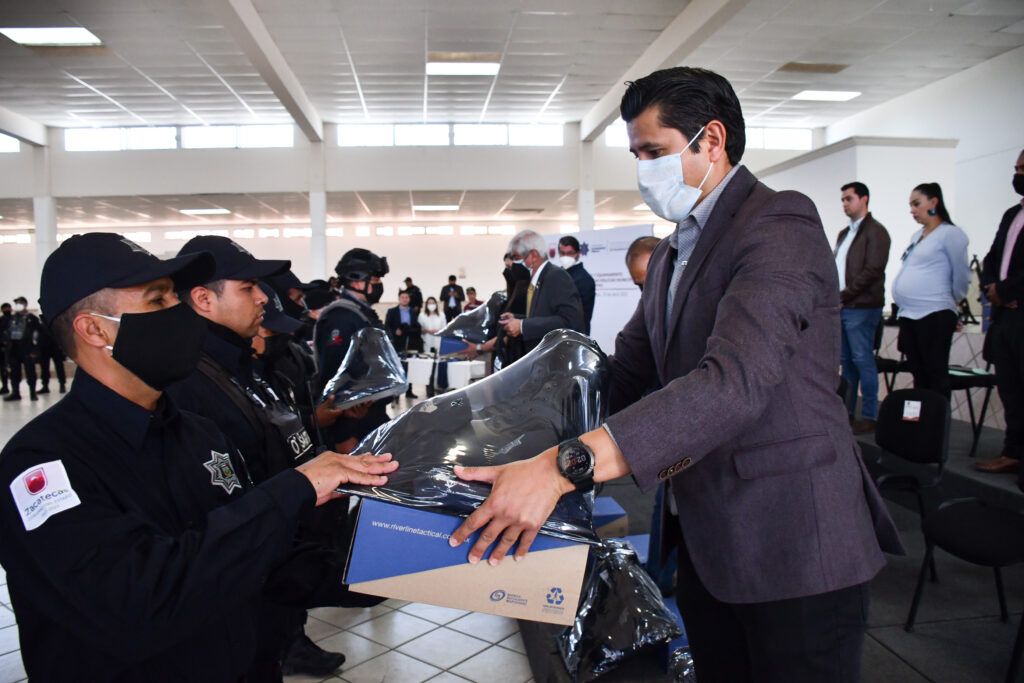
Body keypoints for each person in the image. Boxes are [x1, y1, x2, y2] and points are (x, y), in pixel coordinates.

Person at [448, 67, 902, 683]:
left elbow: (732, 381)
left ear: (711, 140)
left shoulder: (778, 223)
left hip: (792, 538)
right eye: (636, 154)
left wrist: (563, 467)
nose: (643, 171)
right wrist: (506, 432)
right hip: (710, 536)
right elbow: (625, 371)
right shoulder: (669, 252)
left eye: (654, 152)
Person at [0, 232, 397, 681]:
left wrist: (389, 569)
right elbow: (139, 604)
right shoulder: (42, 465)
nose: (179, 313)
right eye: (156, 301)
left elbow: (260, 560)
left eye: (175, 296)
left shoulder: (196, 432)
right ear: (94, 329)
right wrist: (294, 488)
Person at [165, 236, 349, 678]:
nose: (264, 297)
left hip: (282, 574)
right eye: (248, 287)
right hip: (245, 590)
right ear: (204, 299)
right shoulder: (188, 385)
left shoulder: (246, 367)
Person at [891, 182, 970, 399]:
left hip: (934, 312)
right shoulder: (917, 236)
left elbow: (961, 273)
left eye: (917, 204)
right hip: (909, 314)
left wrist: (954, 300)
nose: (912, 210)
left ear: (933, 202)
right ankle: (921, 423)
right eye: (910, 205)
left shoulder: (950, 234)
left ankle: (936, 423)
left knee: (934, 370)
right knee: (918, 372)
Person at [974, 150, 1024, 475]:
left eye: (1023, 168)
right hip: (1006, 315)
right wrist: (993, 287)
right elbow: (992, 257)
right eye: (1017, 168)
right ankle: (1014, 451)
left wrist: (1006, 292)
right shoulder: (1012, 214)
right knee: (1010, 386)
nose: (1017, 174)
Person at [313, 248, 391, 452]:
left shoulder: (361, 314)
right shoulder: (341, 318)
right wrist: (344, 436)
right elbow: (335, 379)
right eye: (375, 280)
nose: (379, 285)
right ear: (356, 281)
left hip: (371, 416)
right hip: (353, 426)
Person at [835, 182, 891, 433]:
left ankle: (870, 415)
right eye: (843, 200)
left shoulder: (876, 232)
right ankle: (846, 412)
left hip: (862, 306)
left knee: (862, 360)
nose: (845, 203)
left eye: (849, 198)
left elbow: (872, 270)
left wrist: (845, 295)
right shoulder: (845, 233)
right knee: (846, 362)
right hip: (844, 305)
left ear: (864, 199)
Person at [497, 230, 585, 354]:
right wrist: (517, 319)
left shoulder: (556, 277)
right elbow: (545, 316)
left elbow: (570, 321)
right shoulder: (537, 280)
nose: (515, 264)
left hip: (557, 359)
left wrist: (523, 326)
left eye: (517, 257)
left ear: (533, 255)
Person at [3, 296, 41, 401]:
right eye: (16, 304)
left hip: (27, 348)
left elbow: (39, 335)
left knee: (30, 372)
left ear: (25, 304)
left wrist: (35, 350)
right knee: (14, 372)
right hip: (14, 349)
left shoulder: (32, 319)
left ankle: (33, 393)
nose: (17, 306)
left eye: (19, 303)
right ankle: (15, 392)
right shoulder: (11, 319)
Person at [558, 235, 596, 334]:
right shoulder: (556, 275)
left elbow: (581, 317)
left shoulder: (585, 279)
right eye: (562, 253)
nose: (566, 257)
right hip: (557, 333)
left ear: (578, 254)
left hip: (575, 335)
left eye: (570, 253)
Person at [34, 321, 67, 394]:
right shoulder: (41, 325)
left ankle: (62, 384)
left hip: (55, 348)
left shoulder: (56, 323)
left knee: (59, 367)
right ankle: (45, 386)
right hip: (44, 349)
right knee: (44, 368)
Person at [0, 302, 11, 394]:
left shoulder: (15, 319)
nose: (7, 310)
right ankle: (5, 386)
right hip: (3, 349)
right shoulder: (1, 320)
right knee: (3, 368)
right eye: (5, 308)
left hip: (14, 348)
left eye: (8, 308)